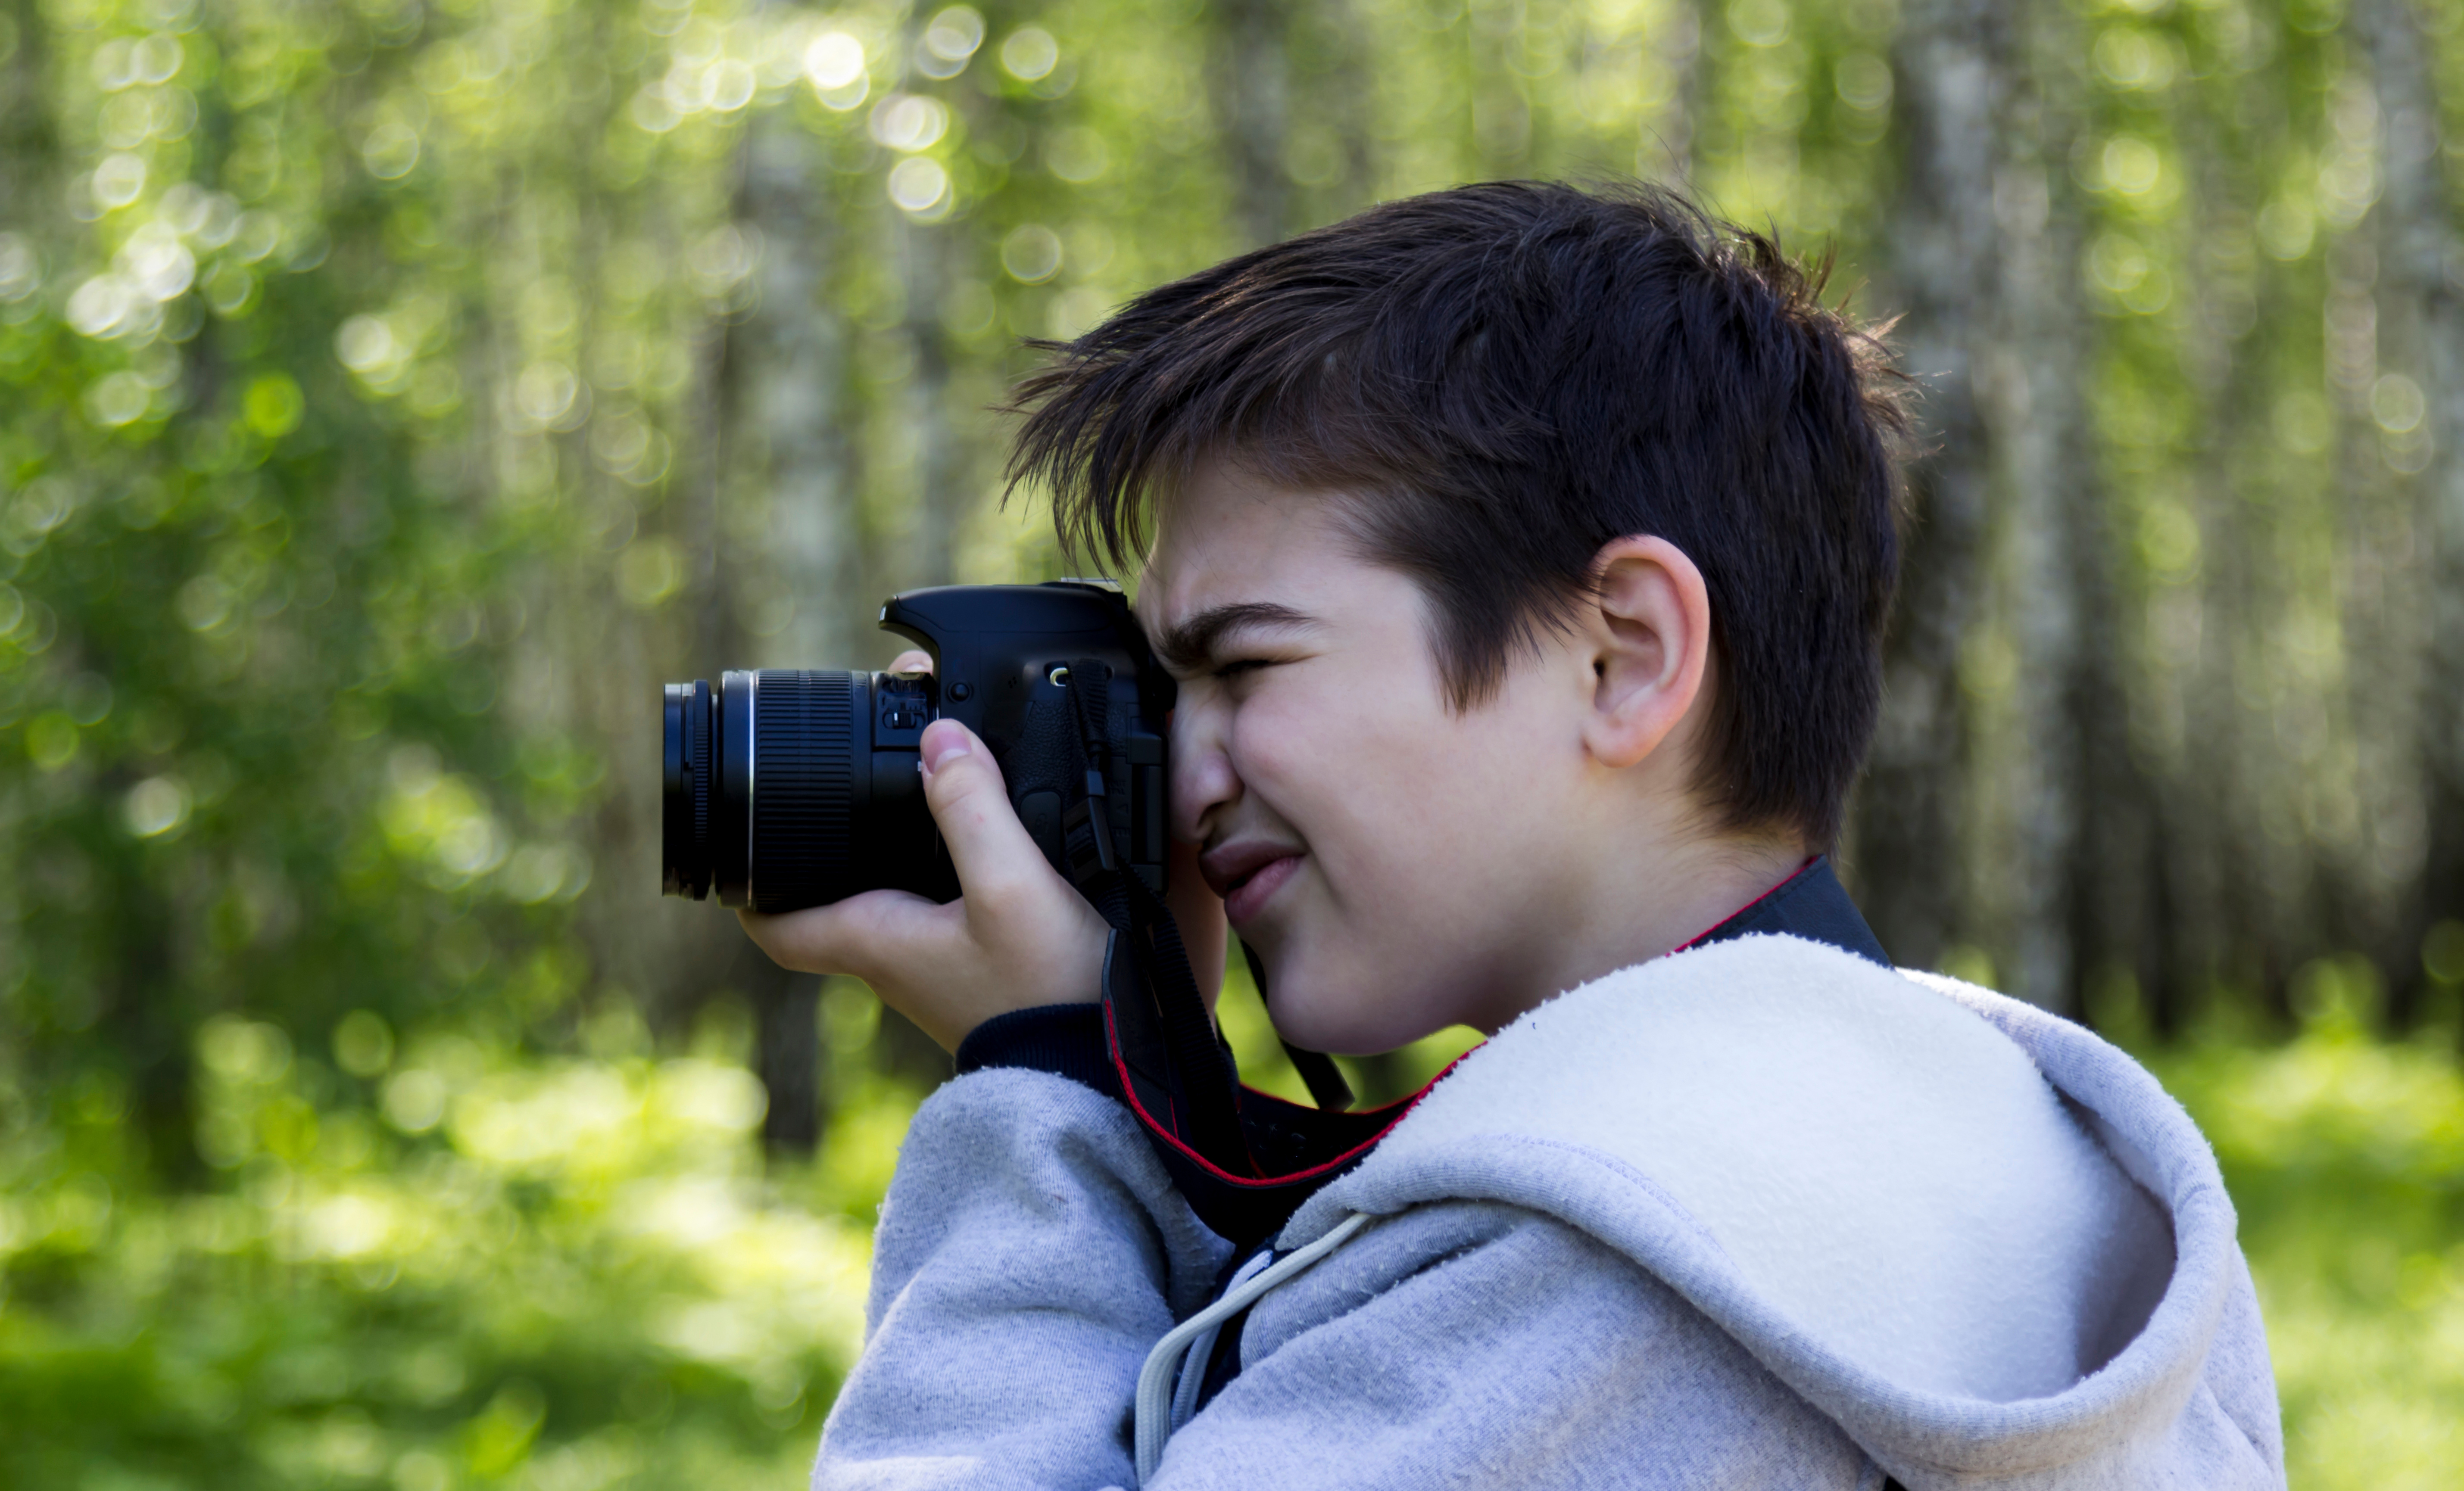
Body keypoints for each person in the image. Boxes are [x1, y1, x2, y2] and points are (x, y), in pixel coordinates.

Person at [742, 182, 2285, 1489]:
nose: (1180, 767)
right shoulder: (2028, 1161)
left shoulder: (1593, 1272)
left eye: (1241, 666)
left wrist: (1050, 1091)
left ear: (1621, 651)